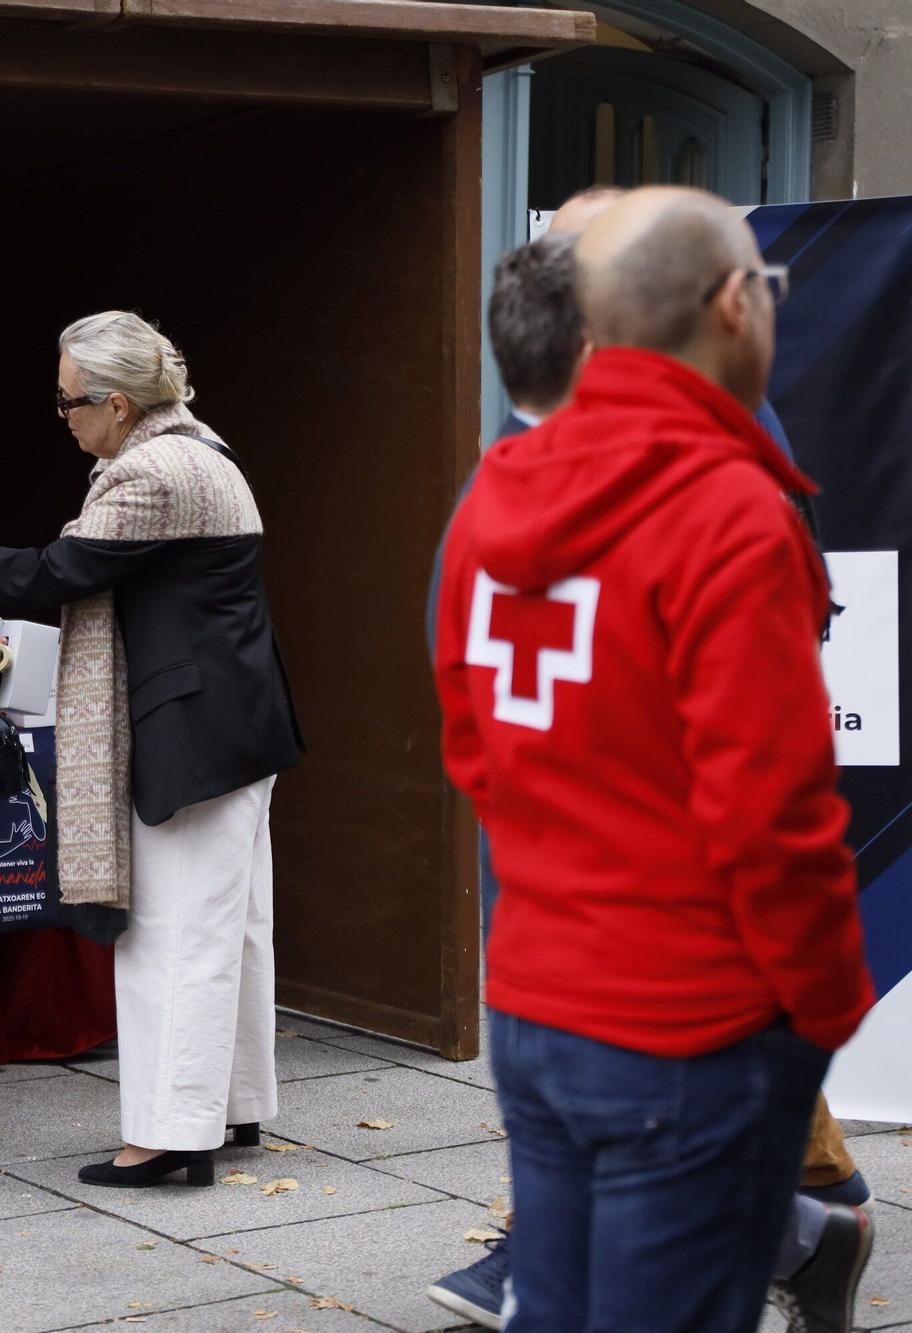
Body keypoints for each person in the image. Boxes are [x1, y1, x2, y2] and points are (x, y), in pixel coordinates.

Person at [432, 186, 874, 1332]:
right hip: (685, 1022)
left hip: (535, 996)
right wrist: (824, 1003)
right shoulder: (725, 505)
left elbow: (472, 745)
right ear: (733, 302)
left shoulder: (493, 487)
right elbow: (772, 810)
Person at [0, 312, 304, 1188]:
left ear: (119, 404)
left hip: (194, 730)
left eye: (68, 402)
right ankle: (230, 1105)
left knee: (176, 933)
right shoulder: (202, 445)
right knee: (234, 928)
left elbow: (58, 572)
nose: (63, 418)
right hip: (234, 720)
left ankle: (170, 1134)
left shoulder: (154, 472)